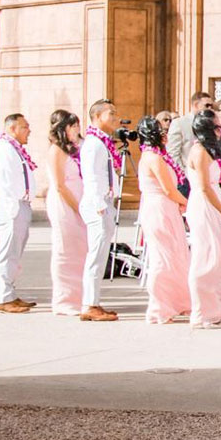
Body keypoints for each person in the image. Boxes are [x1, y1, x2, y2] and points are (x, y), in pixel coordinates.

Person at [184, 110, 221, 328]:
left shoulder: (208, 150)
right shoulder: (199, 151)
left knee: (216, 256)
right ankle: (200, 312)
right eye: (217, 125)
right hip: (205, 204)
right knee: (205, 257)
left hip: (213, 201)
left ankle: (213, 308)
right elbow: (204, 187)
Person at [135, 116, 193, 325]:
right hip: (159, 208)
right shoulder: (153, 158)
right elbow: (168, 189)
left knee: (176, 256)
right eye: (162, 131)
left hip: (167, 207)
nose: (165, 134)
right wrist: (187, 202)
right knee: (163, 258)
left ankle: (178, 301)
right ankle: (159, 307)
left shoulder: (159, 156)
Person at [0, 112, 38, 313]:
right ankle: (3, 297)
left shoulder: (14, 149)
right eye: (25, 127)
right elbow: (1, 182)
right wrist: (12, 208)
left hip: (20, 205)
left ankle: (9, 293)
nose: (29, 131)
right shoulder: (2, 149)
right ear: (12, 128)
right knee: (7, 253)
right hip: (11, 207)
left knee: (14, 253)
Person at [78, 99, 122, 321]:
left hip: (104, 203)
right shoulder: (93, 144)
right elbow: (92, 177)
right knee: (95, 256)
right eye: (110, 113)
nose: (115, 117)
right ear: (96, 117)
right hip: (98, 205)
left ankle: (93, 301)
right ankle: (89, 304)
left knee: (100, 255)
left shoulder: (102, 143)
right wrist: (100, 206)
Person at [45, 110, 87, 317]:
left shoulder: (73, 149)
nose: (77, 130)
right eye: (73, 126)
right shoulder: (56, 151)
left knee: (79, 249)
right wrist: (78, 207)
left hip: (78, 199)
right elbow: (60, 185)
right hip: (65, 203)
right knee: (65, 249)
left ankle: (79, 295)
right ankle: (64, 299)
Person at [168, 90, 212, 175]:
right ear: (196, 105)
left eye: (211, 106)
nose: (210, 109)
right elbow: (173, 153)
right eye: (207, 105)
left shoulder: (210, 123)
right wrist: (184, 175)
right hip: (187, 176)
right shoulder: (179, 123)